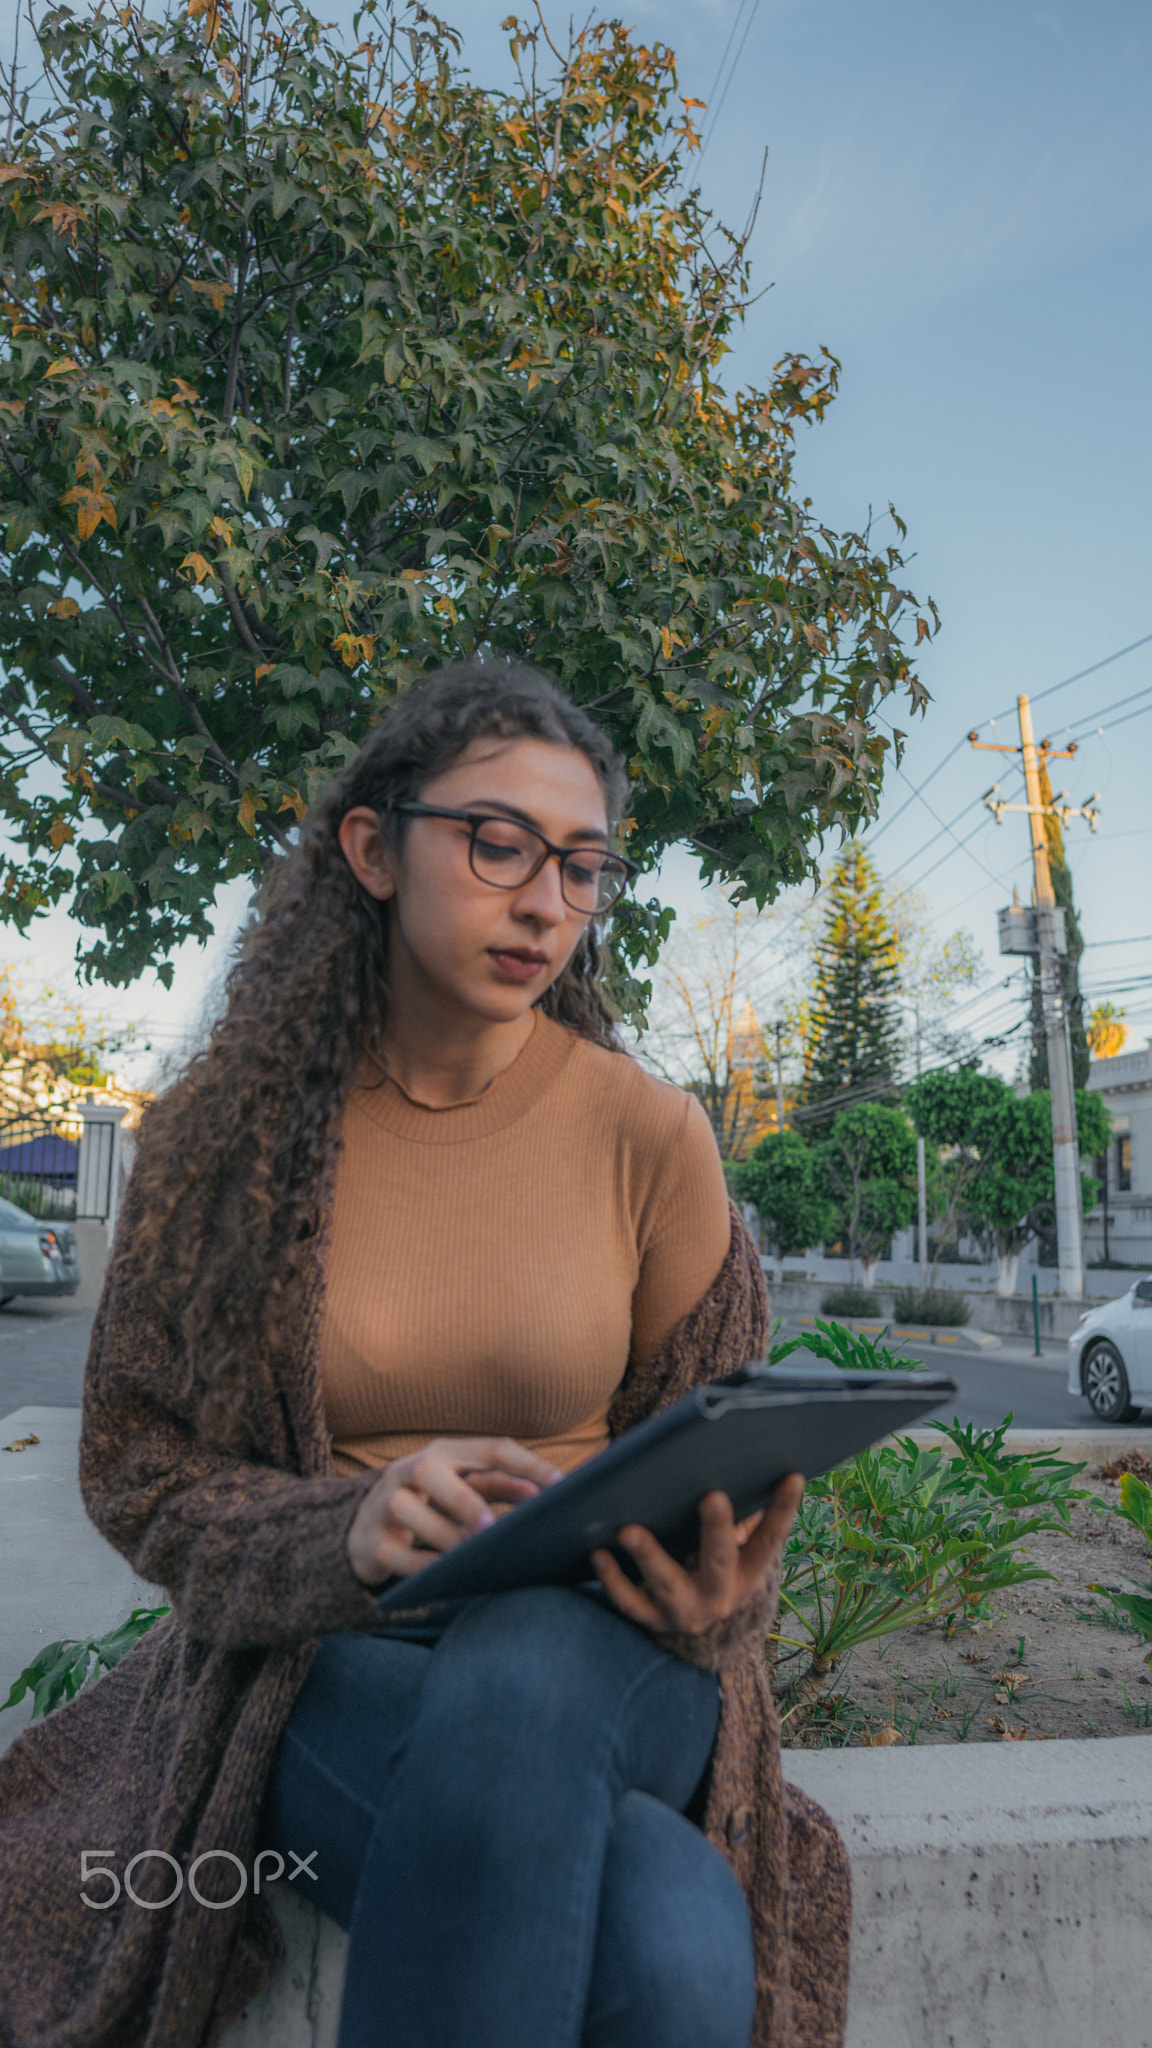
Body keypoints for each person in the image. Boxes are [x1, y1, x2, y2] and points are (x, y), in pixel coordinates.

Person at [0, 659, 850, 2048]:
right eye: (498, 842)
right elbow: (138, 1470)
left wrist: (724, 1591)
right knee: (672, 1931)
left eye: (583, 867)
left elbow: (720, 1451)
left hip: (625, 1659)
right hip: (338, 1664)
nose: (545, 902)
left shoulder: (651, 1136)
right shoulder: (221, 1146)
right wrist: (350, 1522)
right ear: (372, 846)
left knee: (527, 1660)